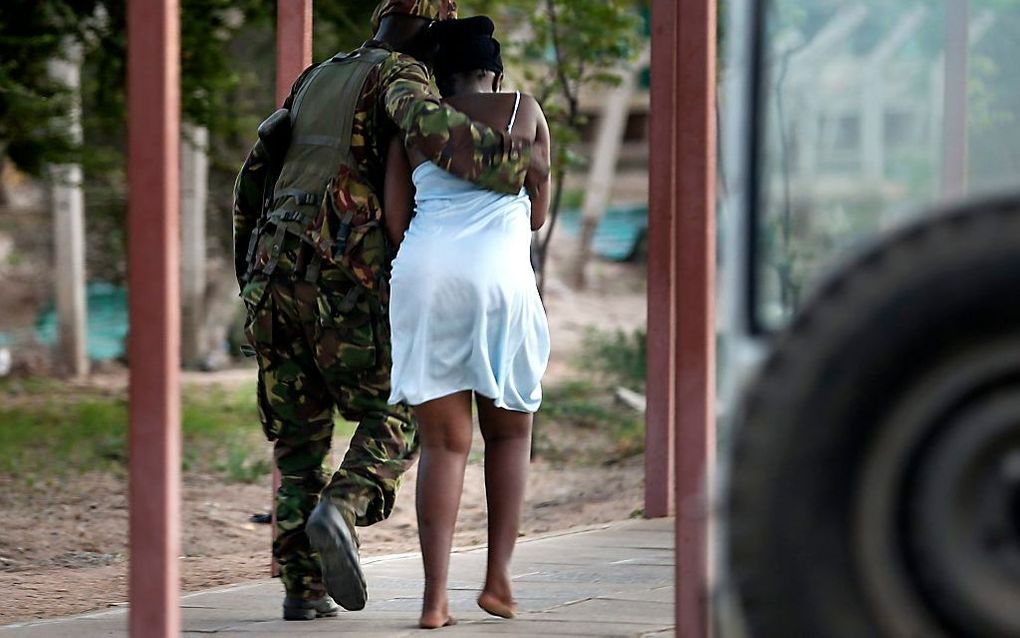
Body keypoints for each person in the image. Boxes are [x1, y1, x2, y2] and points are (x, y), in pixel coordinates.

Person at [232, 0, 549, 621]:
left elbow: (258, 166)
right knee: (408, 407)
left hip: (274, 273)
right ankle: (344, 507)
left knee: (299, 439)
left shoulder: (320, 75)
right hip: (338, 276)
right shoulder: (402, 77)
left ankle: (302, 587)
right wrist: (522, 162)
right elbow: (440, 135)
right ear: (431, 27)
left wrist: (247, 262)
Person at [382, 16, 552, 629]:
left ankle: (433, 603)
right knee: (508, 434)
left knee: (442, 445)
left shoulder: (416, 125)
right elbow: (536, 214)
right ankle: (499, 582)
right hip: (499, 278)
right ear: (495, 70)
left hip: (427, 277)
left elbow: (396, 224)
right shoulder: (524, 110)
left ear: (437, 74)